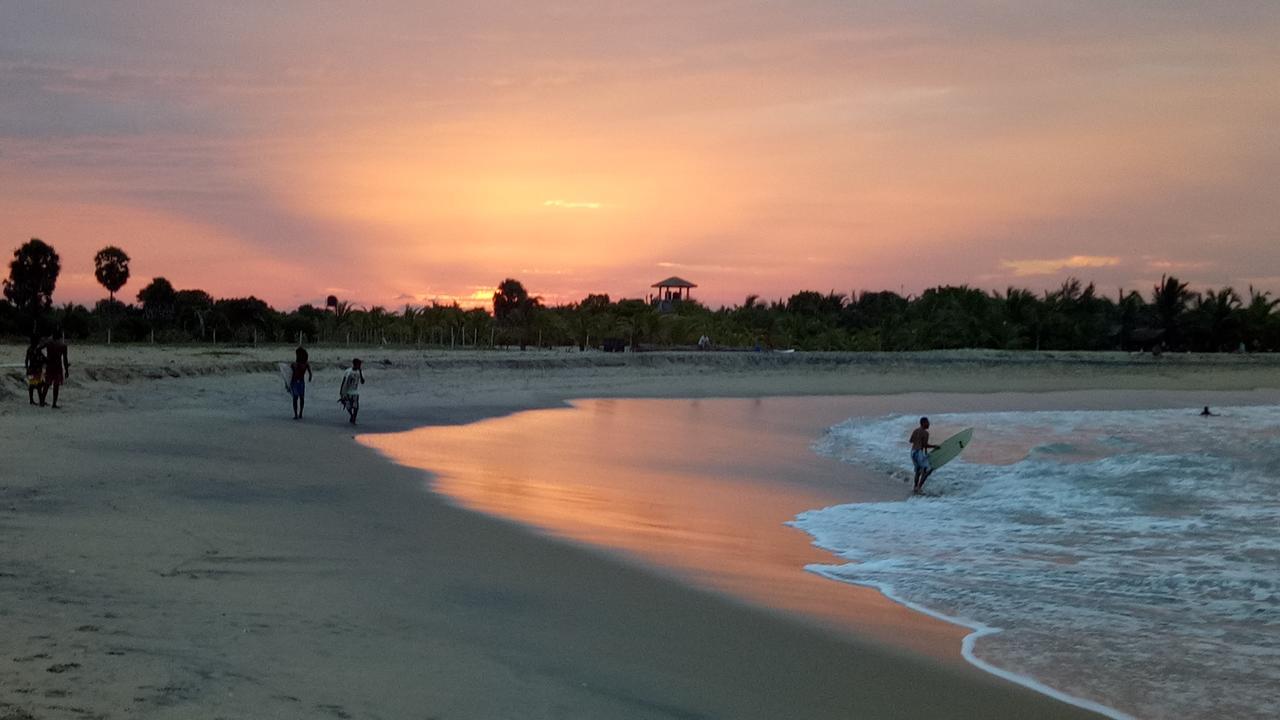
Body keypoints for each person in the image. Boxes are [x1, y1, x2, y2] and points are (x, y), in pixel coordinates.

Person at [909, 417, 940, 494]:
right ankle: (919, 487)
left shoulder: (915, 430)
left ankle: (915, 487)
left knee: (918, 471)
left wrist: (919, 441)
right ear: (923, 423)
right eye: (927, 422)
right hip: (919, 452)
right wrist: (934, 446)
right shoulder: (925, 433)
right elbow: (925, 445)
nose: (929, 424)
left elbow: (911, 441)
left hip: (913, 452)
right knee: (928, 470)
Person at [43, 330, 70, 409]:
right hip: (57, 367)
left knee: (47, 384)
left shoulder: (49, 343)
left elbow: (38, 348)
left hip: (49, 366)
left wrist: (44, 359)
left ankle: (42, 401)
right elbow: (65, 359)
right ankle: (54, 404)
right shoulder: (63, 346)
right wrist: (66, 370)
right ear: (60, 337)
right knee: (56, 385)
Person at [289, 346, 313, 420]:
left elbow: (290, 374)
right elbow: (310, 374)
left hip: (295, 382)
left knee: (295, 398)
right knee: (301, 398)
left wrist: (289, 384)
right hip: (301, 382)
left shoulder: (295, 364)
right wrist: (309, 378)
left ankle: (297, 414)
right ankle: (300, 414)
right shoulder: (305, 364)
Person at [338, 358, 364, 425]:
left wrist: (360, 372)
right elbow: (344, 381)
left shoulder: (359, 372)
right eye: (359, 365)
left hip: (355, 391)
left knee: (356, 406)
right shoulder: (348, 371)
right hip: (348, 391)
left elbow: (362, 382)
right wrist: (341, 391)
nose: (360, 366)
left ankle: (354, 419)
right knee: (348, 406)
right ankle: (352, 415)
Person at [24, 334, 46, 406]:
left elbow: (26, 360)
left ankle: (31, 400)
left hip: (31, 369)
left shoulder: (29, 349)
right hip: (36, 370)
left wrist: (27, 368)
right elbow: (43, 358)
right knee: (39, 385)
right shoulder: (37, 349)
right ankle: (41, 401)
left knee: (32, 384)